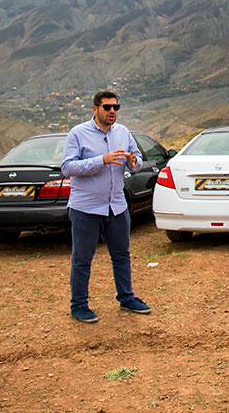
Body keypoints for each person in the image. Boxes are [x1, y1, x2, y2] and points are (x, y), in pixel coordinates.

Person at [61, 91, 150, 323]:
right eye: (107, 107)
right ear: (95, 109)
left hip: (117, 207)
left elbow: (137, 162)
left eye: (115, 107)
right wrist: (102, 160)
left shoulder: (123, 132)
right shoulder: (78, 133)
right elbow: (67, 168)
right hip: (86, 209)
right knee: (82, 259)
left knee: (121, 255)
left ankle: (127, 298)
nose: (112, 111)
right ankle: (79, 305)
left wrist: (133, 162)